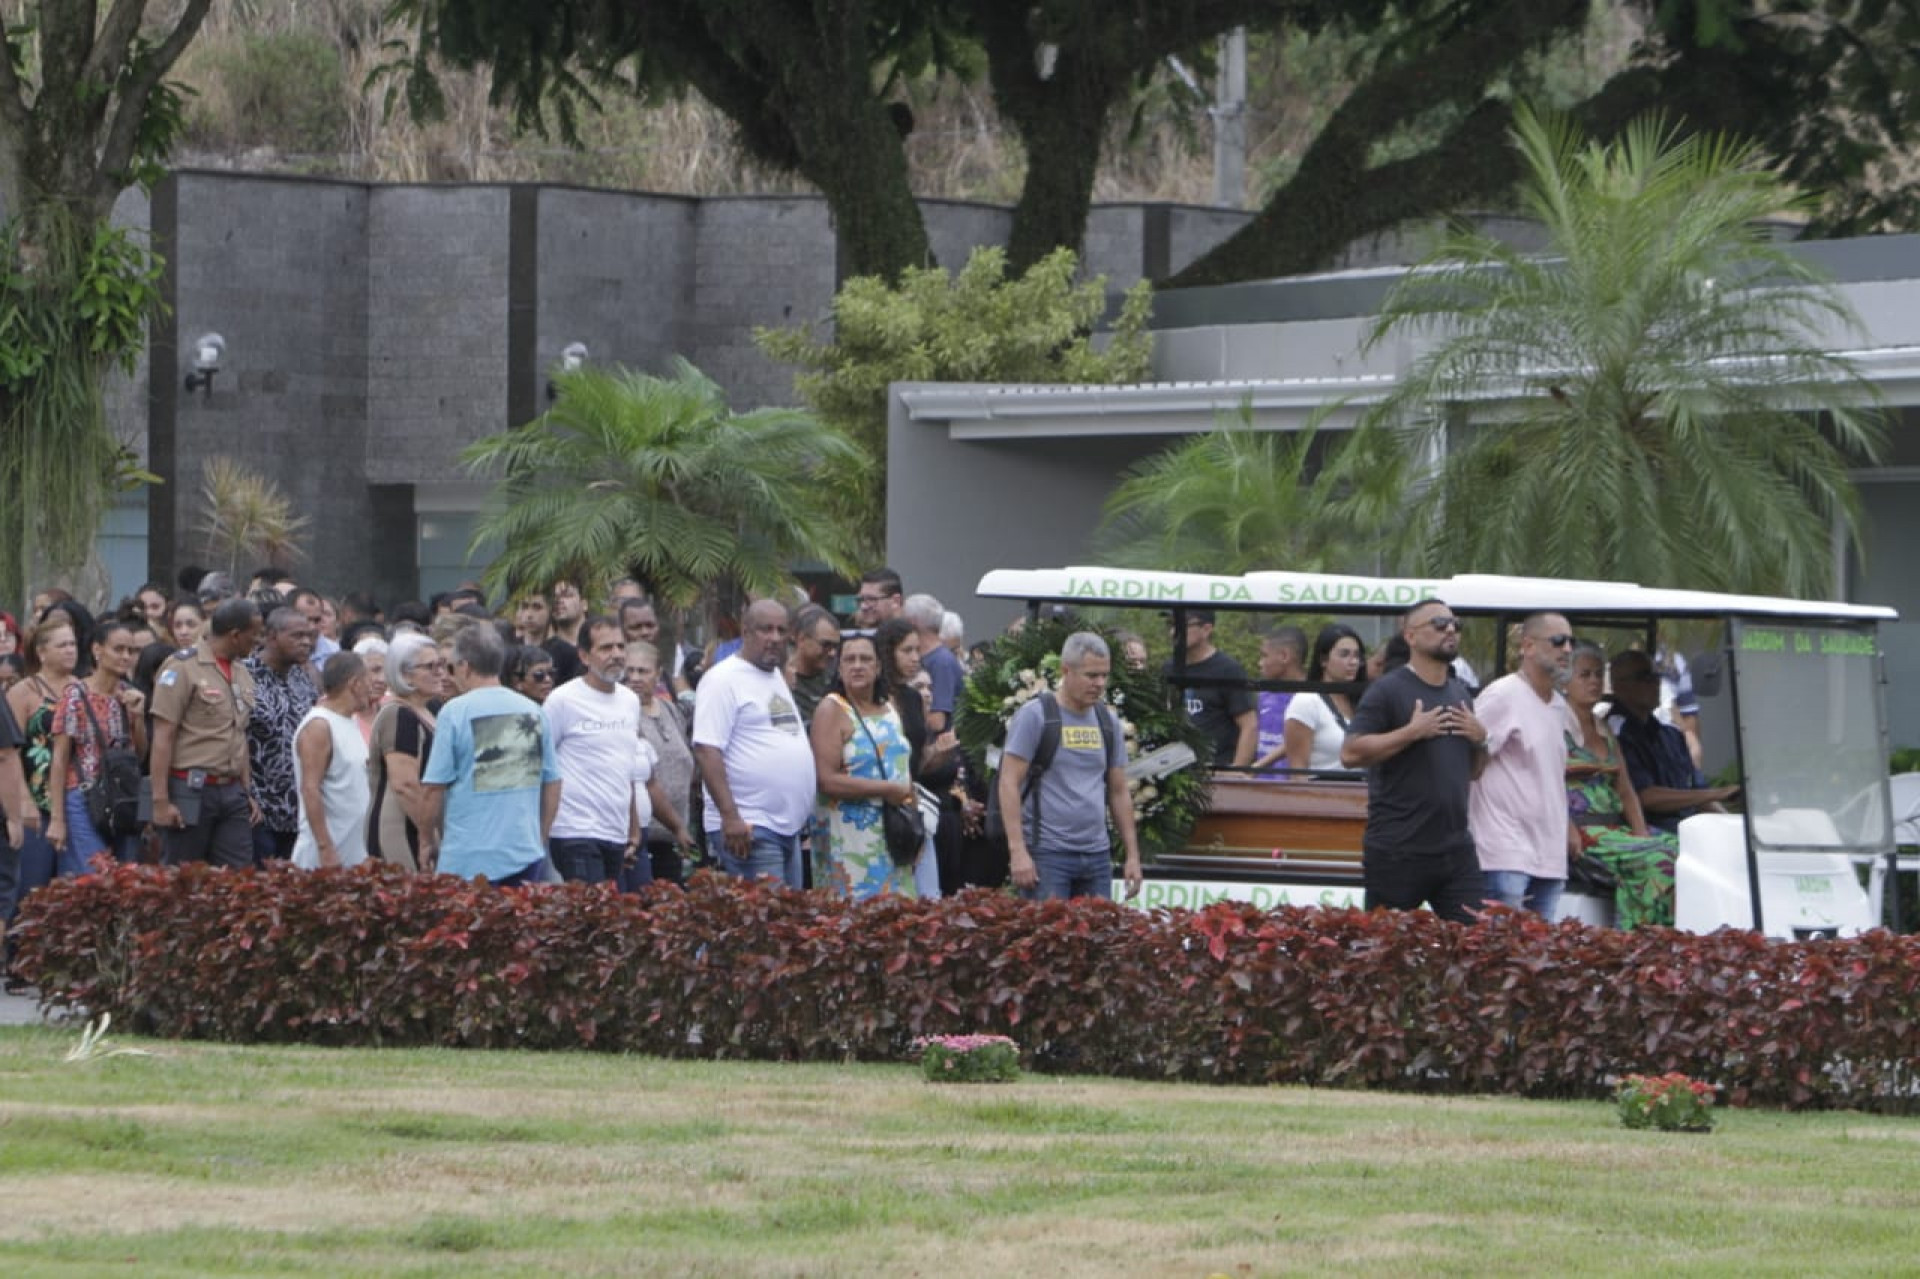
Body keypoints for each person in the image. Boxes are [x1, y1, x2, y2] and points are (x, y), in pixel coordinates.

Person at [1341, 599, 1488, 923]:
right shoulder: (1387, 691)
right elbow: (1350, 753)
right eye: (1438, 624)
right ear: (1410, 636)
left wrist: (1481, 740)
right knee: (1384, 951)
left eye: (1455, 624)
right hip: (1398, 850)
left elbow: (1474, 772)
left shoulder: (1461, 694)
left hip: (1455, 850)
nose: (1450, 629)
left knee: (1479, 945)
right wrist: (1411, 732)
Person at [545, 616, 693, 887]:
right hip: (574, 832)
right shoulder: (562, 700)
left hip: (617, 834)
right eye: (605, 648)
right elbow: (543, 767)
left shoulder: (628, 701)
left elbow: (628, 771)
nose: (615, 655)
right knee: (592, 919)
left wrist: (633, 830)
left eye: (620, 647)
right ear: (584, 656)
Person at [999, 631, 1142, 901]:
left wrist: (1132, 855)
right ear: (1066, 671)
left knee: (1098, 939)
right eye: (1091, 675)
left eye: (1104, 675)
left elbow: (1119, 790)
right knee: (1048, 939)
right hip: (1048, 854)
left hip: (1097, 854)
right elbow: (1008, 782)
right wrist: (1017, 851)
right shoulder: (1035, 716)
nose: (1099, 684)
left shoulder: (1107, 721)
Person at [421, 624, 562, 886]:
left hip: (467, 858)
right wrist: (540, 836)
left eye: (450, 668)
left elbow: (433, 788)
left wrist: (425, 841)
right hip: (525, 852)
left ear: (464, 666)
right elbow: (553, 782)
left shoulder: (454, 712)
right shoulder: (533, 711)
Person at [692, 599, 815, 888]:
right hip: (750, 827)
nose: (774, 638)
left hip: (785, 828)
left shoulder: (775, 677)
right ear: (745, 632)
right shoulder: (722, 679)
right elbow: (707, 749)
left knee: (787, 924)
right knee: (767, 923)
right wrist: (730, 817)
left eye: (781, 631)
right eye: (765, 630)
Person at [1468, 613, 1575, 919]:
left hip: (1550, 853)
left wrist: (1568, 828)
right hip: (1504, 851)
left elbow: (1550, 776)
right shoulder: (1503, 695)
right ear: (1527, 646)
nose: (1567, 649)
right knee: (1502, 956)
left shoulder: (1557, 704)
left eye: (1571, 641)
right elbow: (1471, 762)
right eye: (1557, 641)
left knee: (1538, 959)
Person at [1564, 642, 1678, 929]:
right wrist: (1566, 828)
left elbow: (1626, 790)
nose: (1593, 682)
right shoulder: (1554, 726)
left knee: (1682, 850)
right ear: (1564, 681)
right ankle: (1638, 937)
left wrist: (1640, 832)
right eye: (1584, 675)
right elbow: (1543, 785)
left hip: (1616, 828)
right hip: (1582, 831)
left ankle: (1671, 935)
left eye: (1596, 676)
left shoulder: (1605, 730)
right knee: (1656, 857)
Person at [149, 599, 264, 869]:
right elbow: (163, 737)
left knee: (240, 880)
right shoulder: (181, 667)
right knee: (184, 879)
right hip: (190, 787)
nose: (257, 641)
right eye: (254, 634)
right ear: (235, 635)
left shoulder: (242, 672)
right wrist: (161, 801)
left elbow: (239, 735)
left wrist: (245, 791)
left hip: (231, 790)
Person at [810, 632, 917, 899]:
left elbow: (902, 765)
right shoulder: (832, 709)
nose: (858, 665)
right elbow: (826, 779)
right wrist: (886, 789)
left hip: (894, 834)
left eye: (866, 659)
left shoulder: (890, 707)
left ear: (878, 667)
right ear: (840, 668)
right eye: (850, 660)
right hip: (850, 837)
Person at [45, 619, 148, 874]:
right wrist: (57, 819)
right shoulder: (75, 695)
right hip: (83, 795)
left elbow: (139, 755)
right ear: (97, 650)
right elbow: (59, 759)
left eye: (131, 651)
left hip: (122, 796)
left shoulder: (128, 694)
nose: (125, 657)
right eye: (119, 649)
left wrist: (138, 717)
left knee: (122, 879)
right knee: (90, 875)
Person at [1609, 648, 1739, 832]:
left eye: (1656, 676)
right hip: (1652, 832)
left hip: (1690, 830)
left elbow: (1699, 794)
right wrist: (1716, 793)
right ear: (1618, 686)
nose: (1655, 683)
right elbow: (1645, 796)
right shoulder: (1615, 733)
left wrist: (1735, 826)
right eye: (1644, 677)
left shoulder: (1671, 735)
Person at [875, 618, 954, 898]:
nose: (915, 658)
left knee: (927, 895)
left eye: (917, 650)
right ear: (886, 652)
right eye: (906, 651)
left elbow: (916, 762)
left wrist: (940, 752)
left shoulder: (912, 698)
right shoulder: (873, 698)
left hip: (910, 808)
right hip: (875, 807)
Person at [243, 607, 321, 865]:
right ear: (272, 637)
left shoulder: (303, 677)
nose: (306, 642)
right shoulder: (244, 675)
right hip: (259, 809)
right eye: (297, 636)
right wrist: (245, 794)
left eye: (309, 636)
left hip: (299, 809)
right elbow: (235, 737)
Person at [367, 632, 444, 873]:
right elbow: (405, 785)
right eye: (430, 667)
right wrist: (428, 836)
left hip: (421, 825)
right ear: (405, 673)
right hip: (401, 829)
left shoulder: (429, 709)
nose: (440, 672)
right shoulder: (399, 715)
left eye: (440, 664)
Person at [624, 640, 700, 886]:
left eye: (643, 671)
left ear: (658, 674)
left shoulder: (670, 709)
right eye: (630, 671)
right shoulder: (622, 713)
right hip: (642, 833)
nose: (635, 678)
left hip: (676, 834)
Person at [291, 652, 375, 869]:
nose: (371, 688)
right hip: (327, 854)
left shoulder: (351, 720)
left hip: (355, 849)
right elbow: (310, 789)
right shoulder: (319, 726)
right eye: (368, 680)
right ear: (355, 684)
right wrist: (325, 847)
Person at [1165, 609, 1257, 768]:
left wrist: (1236, 771)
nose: (1173, 632)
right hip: (1175, 771)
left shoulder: (1228, 670)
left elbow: (1249, 725)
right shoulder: (1168, 668)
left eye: (1181, 626)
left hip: (1216, 769)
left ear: (1206, 629)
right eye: (1170, 625)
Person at [1275, 624, 1368, 776]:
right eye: (1344, 655)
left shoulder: (1362, 700)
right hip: (1322, 793)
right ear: (1323, 660)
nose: (1353, 662)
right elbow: (1298, 772)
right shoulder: (1307, 701)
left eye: (1357, 656)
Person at [1249, 626, 1307, 773]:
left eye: (1264, 656)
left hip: (1294, 787)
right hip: (1258, 787)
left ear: (1284, 656)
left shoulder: (1313, 698)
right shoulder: (1262, 696)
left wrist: (1253, 769)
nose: (1260, 663)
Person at [785, 604, 841, 727]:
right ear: (802, 639)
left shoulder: (838, 678)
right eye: (826, 645)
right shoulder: (781, 679)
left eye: (835, 646)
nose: (832, 653)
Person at [512, 589, 583, 684]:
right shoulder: (510, 647)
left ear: (551, 611)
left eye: (537, 607)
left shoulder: (567, 653)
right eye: (524, 607)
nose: (529, 615)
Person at [351, 635, 389, 743]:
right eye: (375, 670)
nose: (382, 679)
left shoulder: (392, 706)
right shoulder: (341, 714)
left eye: (386, 671)